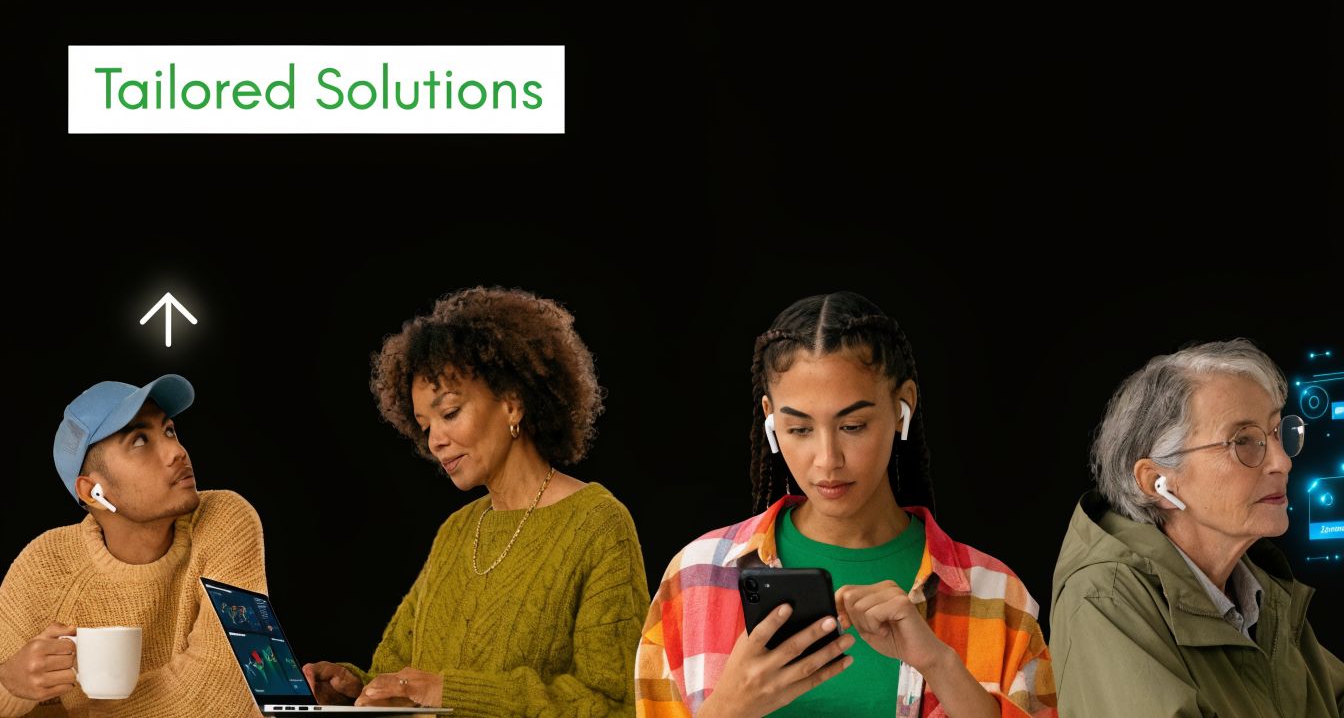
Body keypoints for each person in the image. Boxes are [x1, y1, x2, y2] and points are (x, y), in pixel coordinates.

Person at [635, 292, 1055, 718]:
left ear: (902, 407)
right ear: (770, 420)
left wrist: (941, 665)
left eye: (852, 425)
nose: (827, 459)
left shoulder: (997, 596)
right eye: (798, 428)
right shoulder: (695, 578)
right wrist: (728, 708)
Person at [303, 287, 650, 717]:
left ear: (512, 403)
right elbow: (401, 678)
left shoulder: (598, 522)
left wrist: (452, 693)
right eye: (424, 425)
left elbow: (615, 704)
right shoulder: (457, 531)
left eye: (449, 413)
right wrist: (357, 689)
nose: (435, 441)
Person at [1051, 338, 1344, 716]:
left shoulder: (1259, 596)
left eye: (1275, 433)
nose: (1282, 462)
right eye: (1244, 441)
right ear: (1158, 481)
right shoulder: (1105, 599)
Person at [0, 375, 268, 717]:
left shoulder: (224, 519)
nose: (177, 452)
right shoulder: (44, 566)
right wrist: (9, 685)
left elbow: (226, 689)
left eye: (169, 430)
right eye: (140, 441)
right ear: (91, 491)